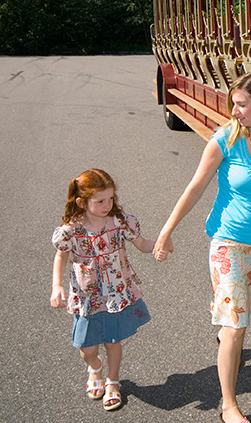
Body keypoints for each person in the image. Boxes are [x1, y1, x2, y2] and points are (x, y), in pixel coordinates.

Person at [153, 70, 251, 423]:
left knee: (240, 318)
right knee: (236, 323)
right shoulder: (225, 140)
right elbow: (195, 187)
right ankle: (229, 406)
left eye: (241, 104)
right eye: (233, 104)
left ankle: (228, 343)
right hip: (227, 242)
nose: (234, 111)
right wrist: (166, 231)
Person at [50, 169, 155, 412]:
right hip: (87, 296)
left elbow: (142, 244)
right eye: (100, 201)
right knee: (86, 347)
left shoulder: (120, 222)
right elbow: (61, 256)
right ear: (81, 202)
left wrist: (159, 247)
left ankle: (113, 380)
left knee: (113, 340)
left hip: (116, 293)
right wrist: (56, 285)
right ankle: (94, 367)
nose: (108, 205)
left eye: (111, 198)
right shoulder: (71, 230)